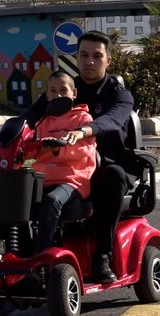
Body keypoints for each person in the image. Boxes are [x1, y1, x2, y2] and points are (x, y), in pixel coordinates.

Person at [19, 30, 135, 283]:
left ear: (108, 61)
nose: (89, 61)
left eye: (96, 56)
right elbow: (29, 117)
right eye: (83, 55)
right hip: (64, 165)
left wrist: (83, 131)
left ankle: (102, 256)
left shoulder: (119, 93)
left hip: (110, 163)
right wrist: (5, 135)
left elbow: (113, 120)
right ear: (77, 57)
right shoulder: (65, 90)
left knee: (112, 176)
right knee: (19, 183)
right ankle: (23, 254)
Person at [24, 71, 96, 254]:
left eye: (63, 90)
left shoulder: (83, 119)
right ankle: (18, 250)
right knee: (13, 199)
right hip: (42, 178)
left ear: (74, 93)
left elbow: (85, 152)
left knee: (51, 200)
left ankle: (42, 253)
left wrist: (58, 149)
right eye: (53, 91)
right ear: (47, 95)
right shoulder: (42, 123)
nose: (58, 95)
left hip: (72, 180)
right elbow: (32, 150)